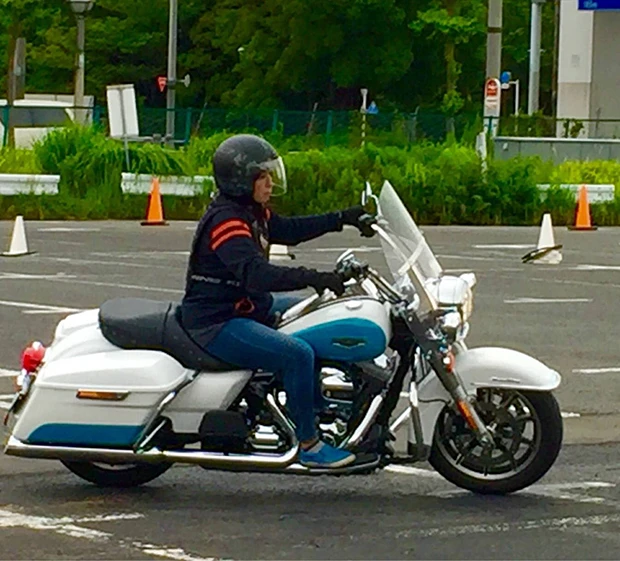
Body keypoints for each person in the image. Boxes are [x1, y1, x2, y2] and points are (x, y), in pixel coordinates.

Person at [180, 134, 373, 469]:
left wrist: (343, 217)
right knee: (297, 353)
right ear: (242, 180)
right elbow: (257, 275)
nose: (270, 183)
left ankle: (314, 407)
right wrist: (315, 277)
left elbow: (290, 229)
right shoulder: (227, 222)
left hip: (245, 306)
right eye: (263, 176)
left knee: (320, 315)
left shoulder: (250, 213)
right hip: (216, 321)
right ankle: (309, 445)